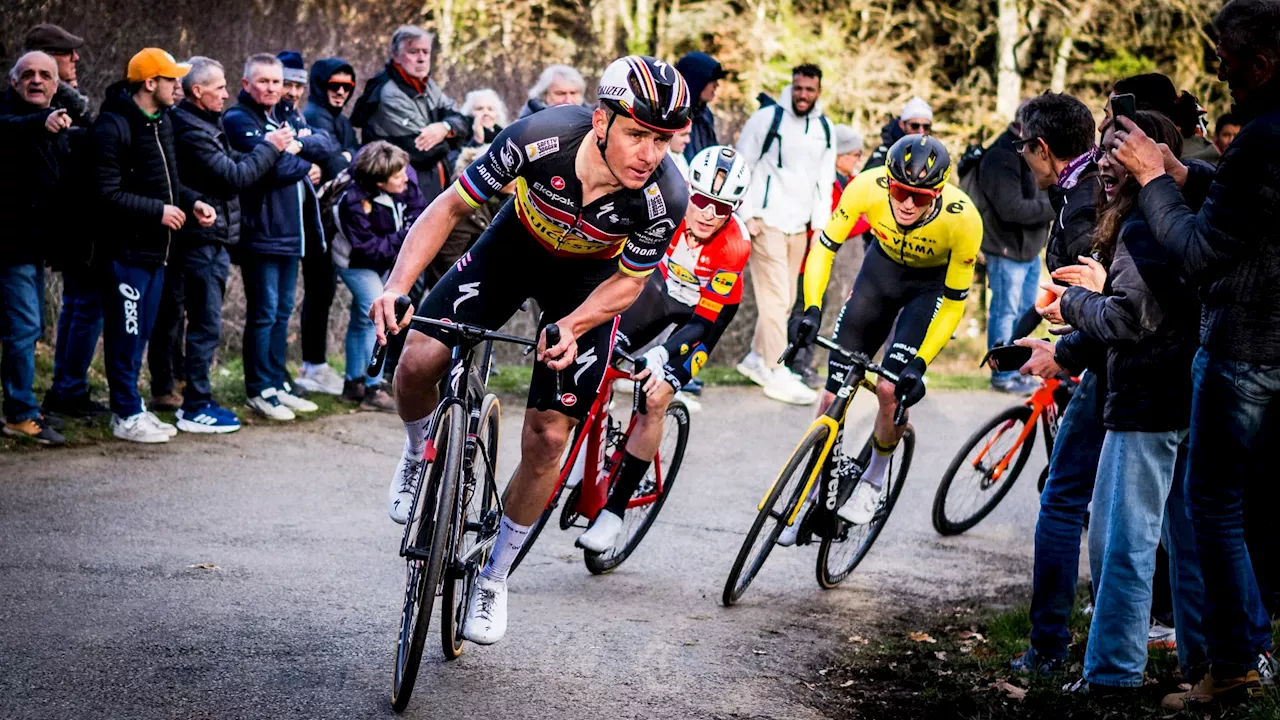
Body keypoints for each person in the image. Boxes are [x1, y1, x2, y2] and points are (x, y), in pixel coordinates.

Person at [369, 55, 690, 646]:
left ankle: (494, 576)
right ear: (600, 120)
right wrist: (396, 284)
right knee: (417, 359)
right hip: (513, 249)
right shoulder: (538, 139)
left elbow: (629, 283)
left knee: (548, 436)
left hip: (587, 285)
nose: (650, 153)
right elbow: (449, 209)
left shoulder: (666, 194)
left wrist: (573, 325)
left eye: (662, 139)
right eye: (637, 134)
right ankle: (419, 455)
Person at [1107, 0, 1280, 708]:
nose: (1217, 70)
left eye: (1226, 58)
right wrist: (1186, 175)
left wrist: (1150, 179)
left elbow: (1200, 252)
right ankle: (1252, 647)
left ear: (1262, 64)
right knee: (1256, 506)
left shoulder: (1262, 134)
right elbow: (1250, 210)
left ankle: (1232, 662)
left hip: (1243, 349)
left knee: (1212, 506)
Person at [1039, 111, 1206, 697]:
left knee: (1121, 544)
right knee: (1189, 545)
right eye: (1102, 149)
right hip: (1185, 398)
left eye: (1120, 148)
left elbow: (1129, 319)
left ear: (1152, 156)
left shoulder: (1143, 230)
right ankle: (1211, 664)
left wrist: (1076, 302)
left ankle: (1111, 675)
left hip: (1147, 403)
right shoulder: (1178, 218)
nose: (1105, 161)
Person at [785, 134, 981, 537]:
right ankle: (816, 488)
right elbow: (824, 248)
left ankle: (874, 481)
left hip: (926, 291)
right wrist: (810, 308)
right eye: (900, 191)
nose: (908, 203)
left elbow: (955, 303)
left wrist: (919, 365)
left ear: (940, 192)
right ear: (888, 182)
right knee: (829, 394)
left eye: (921, 197)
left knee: (891, 389)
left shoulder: (964, 220)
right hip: (879, 275)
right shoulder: (865, 186)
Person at [576, 146, 752, 552]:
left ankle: (613, 513)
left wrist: (662, 355)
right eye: (702, 200)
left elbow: (703, 323)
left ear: (734, 209)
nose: (708, 213)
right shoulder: (667, 209)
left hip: (703, 315)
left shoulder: (733, 246)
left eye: (721, 208)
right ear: (689, 190)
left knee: (656, 397)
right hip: (659, 291)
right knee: (599, 347)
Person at [1000, 92, 1107, 676]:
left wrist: (1063, 354)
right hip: (1114, 360)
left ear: (1043, 148)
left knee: (1062, 500)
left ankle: (1048, 649)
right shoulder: (1083, 188)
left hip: (1116, 367)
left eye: (1024, 148)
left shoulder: (1083, 202)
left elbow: (1106, 302)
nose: (1022, 159)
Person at [94, 48, 215, 443]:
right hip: (125, 253)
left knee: (141, 334)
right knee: (125, 336)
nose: (178, 88)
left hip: (158, 253)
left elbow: (167, 185)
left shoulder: (162, 122)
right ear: (150, 83)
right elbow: (105, 195)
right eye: (171, 80)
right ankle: (124, 414)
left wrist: (189, 201)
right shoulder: (113, 126)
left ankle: (133, 407)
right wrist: (158, 212)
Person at [170, 56, 292, 433]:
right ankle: (195, 405)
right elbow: (236, 175)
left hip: (213, 236)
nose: (227, 94)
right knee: (204, 324)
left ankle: (181, 394)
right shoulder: (193, 128)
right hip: (202, 240)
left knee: (193, 321)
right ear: (197, 91)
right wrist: (272, 147)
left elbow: (236, 162)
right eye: (220, 87)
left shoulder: (207, 122)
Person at [224, 53, 331, 421]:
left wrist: (295, 147)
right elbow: (271, 171)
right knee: (264, 312)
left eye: (277, 81)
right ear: (246, 84)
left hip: (291, 232)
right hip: (261, 232)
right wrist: (297, 159)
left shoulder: (286, 112)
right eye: (264, 81)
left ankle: (277, 382)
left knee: (283, 311)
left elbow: (325, 145)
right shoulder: (238, 119)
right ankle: (259, 388)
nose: (273, 88)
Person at [734, 64, 835, 406]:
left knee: (787, 298)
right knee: (776, 299)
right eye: (798, 88)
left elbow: (825, 179)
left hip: (800, 227)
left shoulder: (825, 128)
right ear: (791, 87)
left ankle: (754, 359)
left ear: (819, 91)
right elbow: (742, 164)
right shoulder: (767, 119)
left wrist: (821, 224)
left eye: (809, 89)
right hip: (766, 222)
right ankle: (776, 370)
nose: (802, 94)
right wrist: (747, 214)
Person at [0, 51, 76, 446]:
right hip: (9, 247)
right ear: (13, 83)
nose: (35, 80)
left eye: (45, 75)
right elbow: (10, 126)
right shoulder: (11, 117)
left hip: (31, 247)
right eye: (27, 74)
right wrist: (41, 121)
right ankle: (20, 413)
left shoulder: (56, 122)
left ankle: (22, 406)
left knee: (28, 329)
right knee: (23, 328)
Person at [332, 142, 427, 410]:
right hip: (356, 263)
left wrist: (404, 233)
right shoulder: (352, 201)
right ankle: (373, 388)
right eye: (397, 176)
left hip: (387, 260)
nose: (405, 178)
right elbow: (369, 249)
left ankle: (353, 384)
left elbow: (420, 214)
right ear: (380, 182)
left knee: (360, 321)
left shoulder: (403, 179)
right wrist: (404, 235)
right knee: (378, 314)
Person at [976, 104, 1055, 394]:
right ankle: (1001, 374)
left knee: (1024, 312)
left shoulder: (1027, 151)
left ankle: (1017, 369)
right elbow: (1012, 209)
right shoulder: (1000, 156)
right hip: (1006, 249)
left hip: (1030, 250)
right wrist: (1053, 206)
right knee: (1005, 312)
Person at [785, 123, 866, 388]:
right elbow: (835, 224)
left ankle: (802, 365)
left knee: (817, 307)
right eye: (856, 154)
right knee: (805, 310)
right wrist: (869, 223)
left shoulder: (848, 182)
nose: (859, 159)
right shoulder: (826, 183)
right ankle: (796, 366)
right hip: (807, 259)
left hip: (822, 261)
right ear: (841, 156)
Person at [351, 25, 469, 201]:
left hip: (432, 185)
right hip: (400, 192)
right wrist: (452, 137)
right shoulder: (388, 93)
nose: (421, 59)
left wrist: (444, 127)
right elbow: (424, 152)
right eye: (413, 52)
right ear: (396, 56)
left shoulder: (428, 85)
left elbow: (463, 122)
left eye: (425, 52)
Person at [22, 24, 91, 126]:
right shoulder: (26, 102)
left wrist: (74, 94)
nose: (76, 57)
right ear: (48, 57)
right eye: (68, 52)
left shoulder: (68, 97)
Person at [304, 57, 359, 181]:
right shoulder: (315, 116)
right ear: (321, 86)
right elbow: (335, 164)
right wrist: (350, 156)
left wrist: (348, 155)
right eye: (334, 85)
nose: (341, 92)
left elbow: (359, 151)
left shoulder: (340, 118)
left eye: (347, 87)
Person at [674, 52, 727, 161]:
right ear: (697, 81)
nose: (717, 86)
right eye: (712, 81)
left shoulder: (705, 114)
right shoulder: (673, 112)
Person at [864, 96, 933, 170]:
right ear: (902, 124)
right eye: (915, 126)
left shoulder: (934, 152)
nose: (921, 131)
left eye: (926, 127)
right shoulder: (885, 152)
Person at [518, 64, 586, 118]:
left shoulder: (591, 119)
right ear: (544, 95)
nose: (568, 100)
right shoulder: (526, 125)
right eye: (560, 93)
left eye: (573, 93)